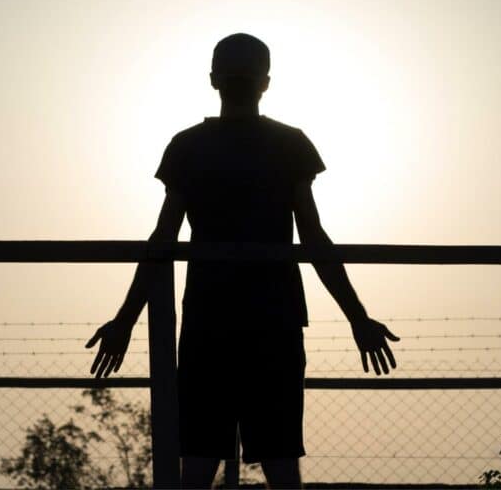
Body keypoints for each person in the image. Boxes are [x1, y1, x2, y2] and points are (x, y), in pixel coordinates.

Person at [86, 33, 399, 488]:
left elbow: (162, 239)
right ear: (265, 83)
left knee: (197, 463)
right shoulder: (288, 145)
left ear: (213, 80)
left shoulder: (188, 147)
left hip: (209, 321)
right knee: (277, 463)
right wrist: (357, 317)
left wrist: (125, 320)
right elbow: (313, 239)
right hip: (273, 320)